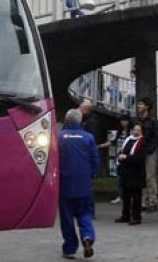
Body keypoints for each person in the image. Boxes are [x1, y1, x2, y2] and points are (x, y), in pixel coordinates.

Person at [57, 109, 98, 259]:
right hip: (83, 183)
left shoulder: (58, 137)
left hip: (64, 183)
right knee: (85, 213)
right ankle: (87, 236)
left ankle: (70, 248)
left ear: (66, 120)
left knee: (67, 216)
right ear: (80, 121)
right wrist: (91, 174)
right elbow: (95, 161)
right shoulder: (88, 138)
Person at [116, 123, 147, 225]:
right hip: (126, 171)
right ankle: (125, 215)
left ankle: (136, 217)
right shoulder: (128, 140)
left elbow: (141, 158)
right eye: (134, 129)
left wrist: (127, 157)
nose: (136, 132)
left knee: (136, 196)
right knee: (126, 195)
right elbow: (122, 151)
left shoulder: (143, 142)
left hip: (136, 172)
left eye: (138, 130)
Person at [137, 97, 158, 212]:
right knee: (142, 176)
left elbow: (157, 137)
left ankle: (152, 201)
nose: (139, 106)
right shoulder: (139, 120)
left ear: (147, 107)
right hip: (140, 150)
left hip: (149, 151)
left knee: (150, 176)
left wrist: (151, 148)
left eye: (141, 104)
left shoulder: (152, 121)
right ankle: (144, 201)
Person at [106, 115, 133, 203]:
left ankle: (129, 196)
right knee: (120, 178)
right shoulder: (119, 132)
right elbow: (112, 142)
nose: (123, 123)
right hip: (119, 157)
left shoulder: (131, 132)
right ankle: (120, 196)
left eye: (125, 121)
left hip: (128, 157)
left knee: (129, 178)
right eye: (122, 121)